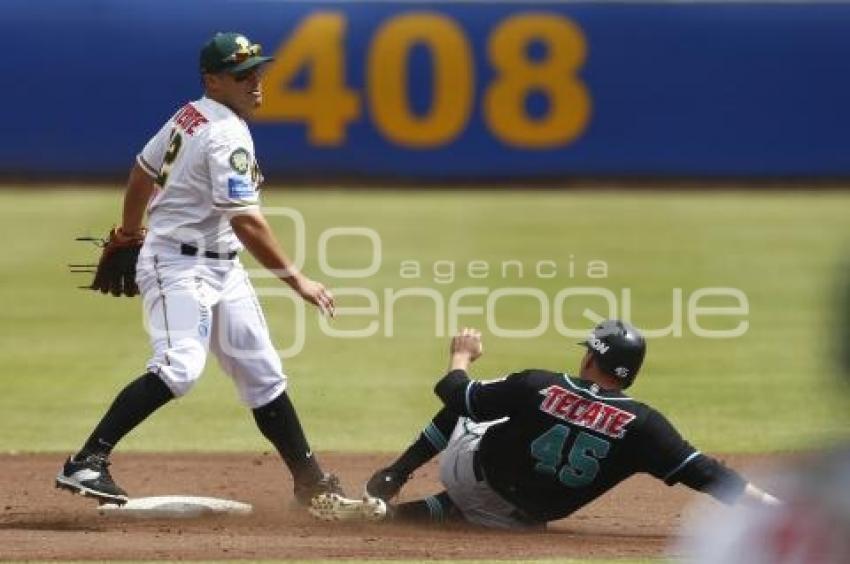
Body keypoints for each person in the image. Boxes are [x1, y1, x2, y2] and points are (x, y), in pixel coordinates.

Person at [56, 32, 343, 506]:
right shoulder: (225, 131)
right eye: (241, 75)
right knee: (180, 368)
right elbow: (247, 221)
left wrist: (129, 232)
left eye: (257, 71)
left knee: (263, 372)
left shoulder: (188, 114)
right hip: (178, 266)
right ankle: (87, 461)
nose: (255, 83)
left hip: (221, 267)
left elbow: (142, 171)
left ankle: (311, 485)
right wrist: (298, 279)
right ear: (213, 79)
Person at [310, 321, 778, 527]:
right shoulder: (645, 426)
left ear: (592, 356)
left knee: (480, 397)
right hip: (526, 517)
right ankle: (401, 518)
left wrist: (460, 355)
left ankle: (395, 478)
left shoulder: (540, 383)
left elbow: (457, 395)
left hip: (472, 471)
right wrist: (774, 506)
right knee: (495, 503)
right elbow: (709, 475)